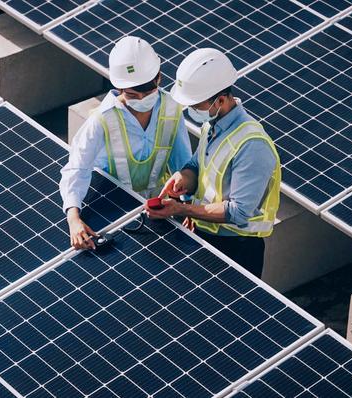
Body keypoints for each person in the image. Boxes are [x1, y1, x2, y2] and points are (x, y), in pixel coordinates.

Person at [146, 48, 281, 278]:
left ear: (220, 100)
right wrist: (183, 179)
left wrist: (182, 209)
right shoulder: (212, 125)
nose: (191, 110)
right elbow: (197, 165)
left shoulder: (252, 145)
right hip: (205, 234)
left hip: (238, 249)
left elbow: (238, 212)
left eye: (196, 105)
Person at [60, 36, 192, 250]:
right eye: (132, 94)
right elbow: (77, 167)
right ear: (119, 87)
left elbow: (183, 164)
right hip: (111, 209)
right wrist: (73, 219)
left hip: (155, 212)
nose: (140, 99)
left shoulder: (172, 109)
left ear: (158, 78)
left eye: (147, 92)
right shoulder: (102, 118)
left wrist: (187, 204)